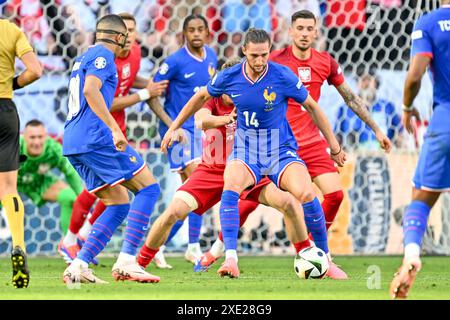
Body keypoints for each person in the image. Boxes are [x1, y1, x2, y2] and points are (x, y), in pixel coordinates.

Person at [158, 28, 347, 278]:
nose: (259, 62)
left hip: (279, 148)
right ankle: (230, 259)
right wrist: (173, 127)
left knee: (306, 193)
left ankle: (325, 258)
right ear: (244, 50)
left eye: (264, 55)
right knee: (232, 187)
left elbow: (312, 106)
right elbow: (200, 98)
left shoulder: (282, 75)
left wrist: (334, 146)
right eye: (255, 56)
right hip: (246, 149)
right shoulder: (229, 76)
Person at [136, 57, 314, 278]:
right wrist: (226, 119)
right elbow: (201, 121)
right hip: (211, 171)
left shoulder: (252, 98)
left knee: (289, 203)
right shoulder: (212, 100)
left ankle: (308, 256)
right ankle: (139, 262)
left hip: (249, 168)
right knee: (173, 212)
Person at [58, 12, 168, 267]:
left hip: (74, 142)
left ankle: (80, 264)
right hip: (96, 137)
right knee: (149, 188)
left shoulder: (84, 56)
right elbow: (90, 90)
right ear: (119, 37)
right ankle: (129, 261)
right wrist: (114, 128)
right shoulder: (105, 56)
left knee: (118, 204)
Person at [390, 1, 450, 299]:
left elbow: (415, 75)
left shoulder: (428, 23)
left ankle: (411, 254)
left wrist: (406, 107)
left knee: (422, 197)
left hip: (445, 121)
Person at [148, 14, 218, 264]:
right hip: (180, 134)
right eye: (191, 30)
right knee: (198, 184)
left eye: (200, 29)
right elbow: (151, 95)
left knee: (197, 194)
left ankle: (179, 245)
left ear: (208, 33)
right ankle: (183, 245)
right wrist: (171, 127)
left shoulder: (212, 57)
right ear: (184, 35)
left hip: (201, 131)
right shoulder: (175, 61)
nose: (196, 34)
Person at [0, 18, 43, 288]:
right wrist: (11, 84)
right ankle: (18, 246)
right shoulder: (11, 29)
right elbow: (36, 70)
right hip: (5, 110)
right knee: (8, 187)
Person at [16, 120, 83, 237]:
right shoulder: (14, 147)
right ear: (24, 137)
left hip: (38, 182)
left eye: (40, 137)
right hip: (10, 182)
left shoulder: (54, 150)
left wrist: (83, 201)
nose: (37, 142)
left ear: (46, 137)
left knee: (69, 197)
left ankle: (68, 245)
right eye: (32, 137)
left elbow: (71, 173)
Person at [335, 73, 402, 150]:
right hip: (353, 156)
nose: (366, 84)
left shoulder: (387, 107)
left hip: (384, 154)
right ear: (357, 83)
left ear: (376, 83)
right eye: (363, 80)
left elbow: (399, 135)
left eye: (369, 80)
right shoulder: (345, 109)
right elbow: (337, 137)